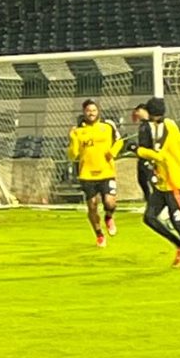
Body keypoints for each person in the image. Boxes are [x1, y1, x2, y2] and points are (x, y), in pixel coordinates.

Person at [135, 97, 180, 269]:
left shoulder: (166, 128)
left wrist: (139, 151)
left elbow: (160, 155)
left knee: (177, 219)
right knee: (149, 217)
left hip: (175, 183)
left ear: (150, 113)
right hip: (163, 183)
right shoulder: (164, 126)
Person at [67, 98, 123, 248]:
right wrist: (72, 139)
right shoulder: (78, 132)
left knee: (110, 202)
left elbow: (119, 141)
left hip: (106, 172)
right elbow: (73, 155)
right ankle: (99, 234)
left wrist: (113, 152)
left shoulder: (108, 126)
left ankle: (109, 217)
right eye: (88, 111)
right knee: (92, 205)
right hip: (87, 174)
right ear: (84, 113)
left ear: (98, 111)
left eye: (93, 110)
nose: (91, 113)